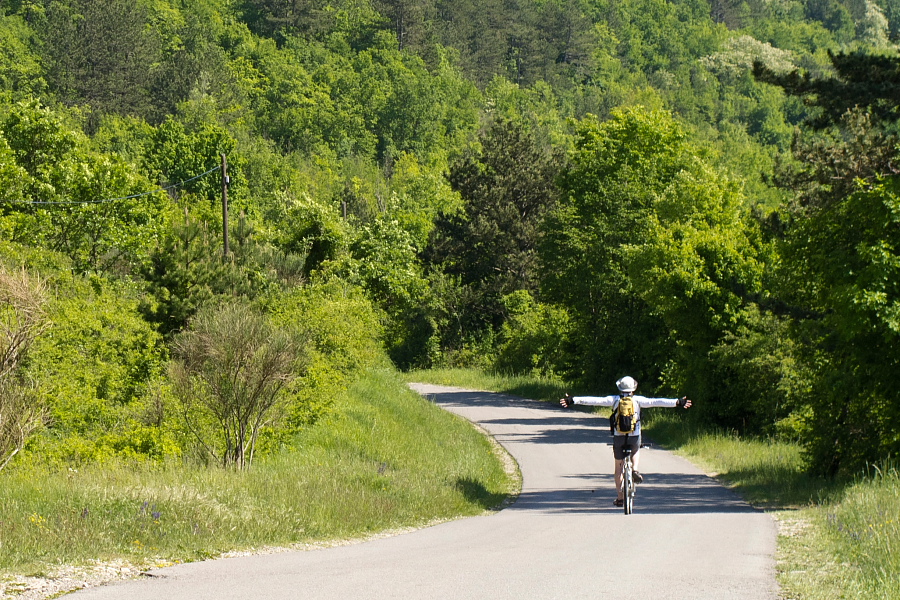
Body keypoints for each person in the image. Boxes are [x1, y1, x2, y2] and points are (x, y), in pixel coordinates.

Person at [559, 376, 692, 507]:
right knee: (636, 448)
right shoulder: (638, 400)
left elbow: (594, 400)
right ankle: (635, 469)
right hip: (634, 436)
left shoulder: (614, 400)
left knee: (618, 468)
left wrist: (573, 400)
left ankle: (620, 498)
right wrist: (678, 402)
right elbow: (657, 401)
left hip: (619, 436)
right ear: (634, 388)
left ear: (620, 388)